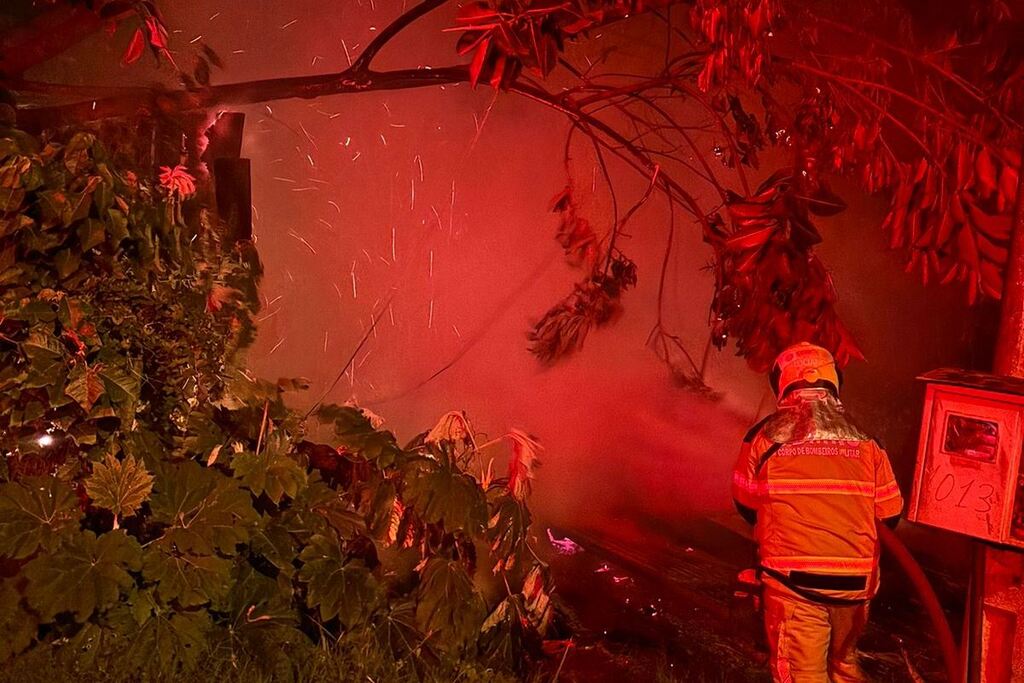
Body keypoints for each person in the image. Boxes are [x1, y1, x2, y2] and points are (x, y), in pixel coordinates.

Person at [731, 342, 903, 682]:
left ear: (782, 382)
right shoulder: (866, 439)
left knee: (802, 676)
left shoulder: (764, 438)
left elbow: (746, 502)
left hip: (793, 587)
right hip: (855, 589)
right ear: (832, 380)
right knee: (844, 668)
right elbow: (890, 513)